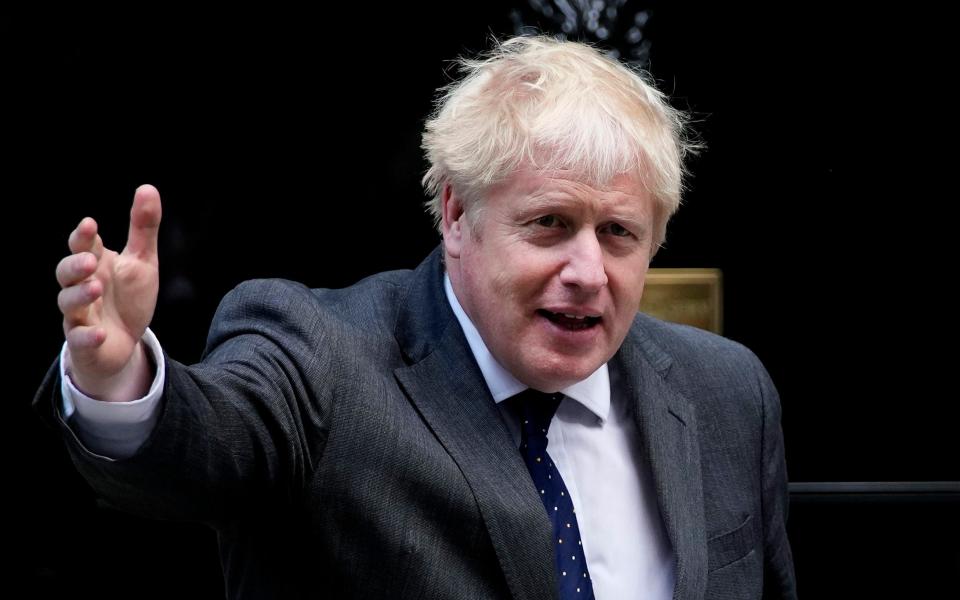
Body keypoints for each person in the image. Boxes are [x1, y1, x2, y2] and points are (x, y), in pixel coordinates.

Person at [36, 36, 797, 599]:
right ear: (457, 215)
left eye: (619, 234)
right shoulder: (323, 358)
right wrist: (120, 377)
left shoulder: (726, 390)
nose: (588, 272)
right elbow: (202, 450)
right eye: (550, 225)